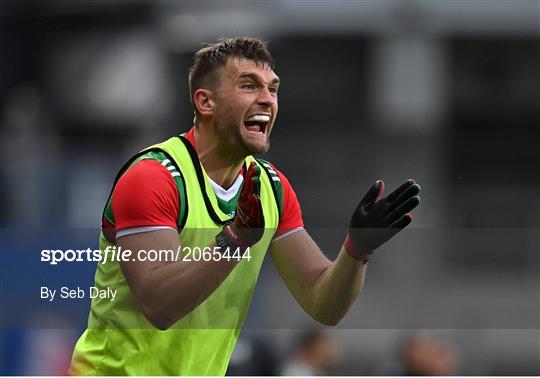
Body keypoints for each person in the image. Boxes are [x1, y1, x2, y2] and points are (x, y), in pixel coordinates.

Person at [69, 37, 421, 375]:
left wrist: (355, 251)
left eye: (273, 88)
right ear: (205, 102)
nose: (267, 99)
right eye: (249, 86)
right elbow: (159, 304)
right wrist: (235, 239)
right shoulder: (154, 177)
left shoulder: (271, 189)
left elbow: (323, 305)